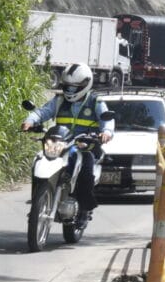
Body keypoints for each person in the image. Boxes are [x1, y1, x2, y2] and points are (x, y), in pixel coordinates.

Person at [23, 63, 114, 222]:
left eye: (74, 88)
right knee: (39, 160)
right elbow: (43, 112)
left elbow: (107, 120)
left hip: (86, 147)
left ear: (85, 85)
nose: (70, 91)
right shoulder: (59, 100)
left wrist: (106, 132)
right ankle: (37, 199)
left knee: (86, 169)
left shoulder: (95, 102)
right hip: (61, 144)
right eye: (67, 87)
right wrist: (30, 121)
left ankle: (84, 210)